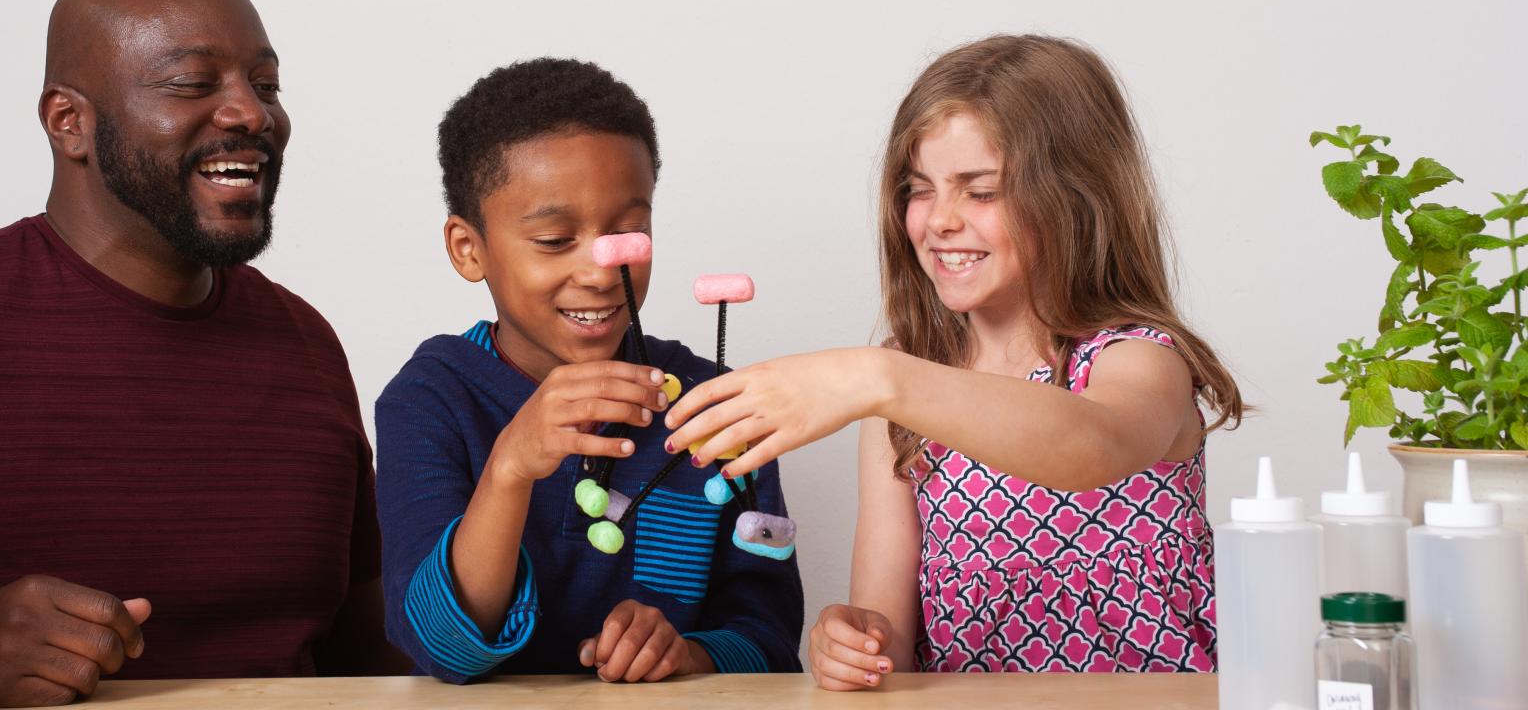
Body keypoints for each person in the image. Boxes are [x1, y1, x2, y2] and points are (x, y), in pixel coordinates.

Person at [0, 0, 401, 706]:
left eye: (265, 86)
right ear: (68, 122)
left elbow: (368, 656)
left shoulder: (303, 343)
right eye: (192, 84)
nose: (253, 114)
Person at [663, 35, 1243, 685]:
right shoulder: (901, 390)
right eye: (920, 188)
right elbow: (889, 638)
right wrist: (850, 640)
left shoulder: (1138, 359)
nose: (939, 220)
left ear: (1075, 197)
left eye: (981, 191)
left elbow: (1094, 447)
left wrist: (876, 377)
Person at [375, 58, 803, 684]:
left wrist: (691, 653)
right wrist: (511, 466)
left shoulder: (714, 405)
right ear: (470, 249)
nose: (603, 272)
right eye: (554, 240)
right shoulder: (430, 398)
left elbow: (770, 637)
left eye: (629, 231)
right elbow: (441, 649)